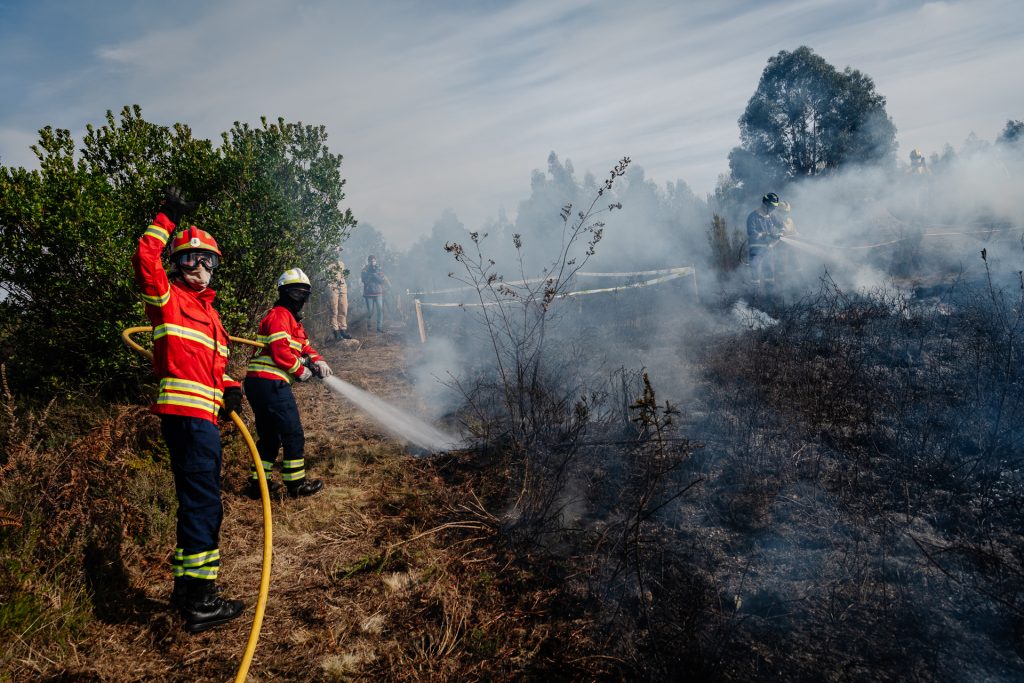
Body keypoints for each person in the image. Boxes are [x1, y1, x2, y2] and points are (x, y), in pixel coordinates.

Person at [132, 187, 245, 633]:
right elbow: (145, 259)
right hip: (188, 419)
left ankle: (185, 590)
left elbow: (212, 364)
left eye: (207, 260)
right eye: (188, 260)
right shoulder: (168, 299)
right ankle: (201, 601)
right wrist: (166, 219)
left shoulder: (210, 313)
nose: (198, 268)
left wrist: (231, 388)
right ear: (177, 265)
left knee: (198, 504)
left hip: (204, 418)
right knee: (203, 506)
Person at [244, 268, 331, 499]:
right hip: (270, 383)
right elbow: (280, 351)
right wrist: (300, 370)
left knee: (271, 437)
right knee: (293, 433)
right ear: (284, 292)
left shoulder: (293, 321)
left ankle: (258, 484)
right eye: (295, 292)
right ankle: (296, 484)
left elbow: (304, 347)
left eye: (304, 293)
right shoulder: (280, 315)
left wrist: (318, 361)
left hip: (261, 384)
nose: (300, 297)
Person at [746, 192, 785, 292]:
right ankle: (754, 300)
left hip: (768, 251)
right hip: (756, 253)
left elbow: (782, 226)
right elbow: (752, 233)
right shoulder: (753, 217)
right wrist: (766, 234)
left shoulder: (772, 216)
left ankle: (769, 300)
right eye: (772, 207)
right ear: (765, 204)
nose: (773, 209)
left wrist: (781, 233)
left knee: (770, 276)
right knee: (756, 278)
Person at [360, 255, 389, 333]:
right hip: (368, 293)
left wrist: (374, 274)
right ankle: (369, 327)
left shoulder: (379, 268)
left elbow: (381, 280)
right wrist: (370, 275)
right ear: (368, 261)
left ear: (376, 261)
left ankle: (379, 328)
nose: (373, 262)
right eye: (371, 261)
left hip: (379, 292)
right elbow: (364, 281)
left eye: (374, 261)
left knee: (380, 310)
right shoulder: (364, 270)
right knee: (370, 311)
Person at [328, 253, 353, 341]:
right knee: (334, 310)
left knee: (343, 309)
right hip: (333, 287)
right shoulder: (328, 264)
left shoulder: (341, 264)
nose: (337, 253)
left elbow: (344, 275)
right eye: (336, 251)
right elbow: (326, 277)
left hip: (342, 287)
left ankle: (343, 330)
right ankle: (336, 332)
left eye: (339, 251)